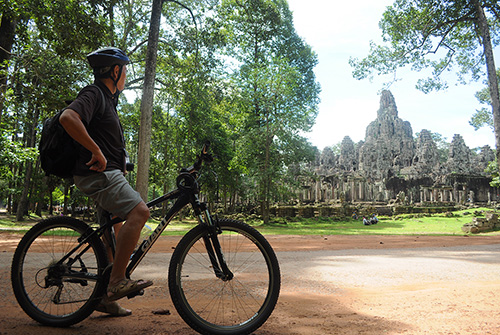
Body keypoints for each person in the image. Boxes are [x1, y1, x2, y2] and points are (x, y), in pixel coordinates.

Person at [59, 47, 152, 316]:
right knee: (140, 212)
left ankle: (105, 299)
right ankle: (116, 283)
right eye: (125, 70)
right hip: (98, 175)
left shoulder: (108, 101)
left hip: (108, 174)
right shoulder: (94, 93)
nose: (126, 76)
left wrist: (118, 162)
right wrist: (97, 151)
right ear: (115, 71)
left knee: (114, 235)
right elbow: (68, 117)